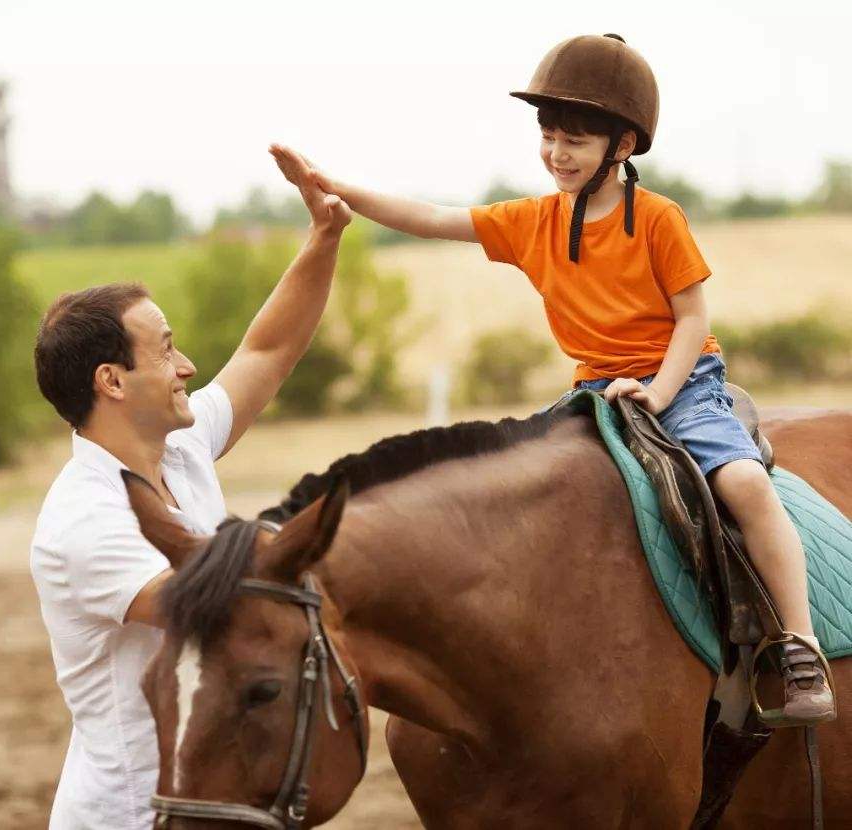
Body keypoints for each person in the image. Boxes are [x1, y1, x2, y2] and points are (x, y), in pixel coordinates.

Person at [270, 33, 834, 726]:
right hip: (591, 389)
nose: (557, 153)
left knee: (743, 482)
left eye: (575, 140)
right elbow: (428, 216)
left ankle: (800, 644)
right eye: (549, 135)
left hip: (679, 382)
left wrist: (657, 392)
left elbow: (692, 321)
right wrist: (330, 186)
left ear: (621, 146)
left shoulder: (658, 219)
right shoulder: (533, 221)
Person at [30, 148, 351, 829]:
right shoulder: (83, 522)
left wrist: (324, 239)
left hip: (212, 798)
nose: (187, 366)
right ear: (111, 382)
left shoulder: (178, 448)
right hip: (133, 815)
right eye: (166, 349)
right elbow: (222, 609)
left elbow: (267, 351)